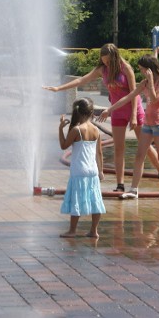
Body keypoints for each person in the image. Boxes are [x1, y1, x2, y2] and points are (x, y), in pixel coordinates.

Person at [43, 44, 159, 193]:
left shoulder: (126, 68)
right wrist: (58, 88)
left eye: (109, 61)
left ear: (115, 57)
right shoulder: (102, 70)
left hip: (134, 110)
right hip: (116, 111)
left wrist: (134, 116)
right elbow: (82, 80)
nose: (106, 64)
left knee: (146, 148)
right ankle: (120, 184)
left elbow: (134, 93)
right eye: (104, 61)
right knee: (118, 148)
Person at [98, 55, 159, 200]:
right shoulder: (144, 82)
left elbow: (155, 99)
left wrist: (150, 82)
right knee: (139, 156)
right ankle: (133, 190)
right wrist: (110, 109)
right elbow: (128, 97)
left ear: (149, 69)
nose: (141, 72)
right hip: (148, 124)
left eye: (143, 69)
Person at [58, 97, 106, 238]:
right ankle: (94, 231)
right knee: (95, 199)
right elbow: (100, 153)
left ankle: (72, 231)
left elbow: (63, 146)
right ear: (91, 112)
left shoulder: (77, 130)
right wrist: (101, 171)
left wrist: (60, 129)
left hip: (79, 170)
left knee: (76, 199)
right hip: (93, 170)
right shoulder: (96, 130)